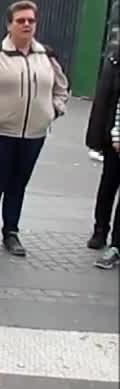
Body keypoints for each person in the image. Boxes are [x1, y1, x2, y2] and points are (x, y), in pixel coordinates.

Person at [0, 0, 70, 256]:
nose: (26, 25)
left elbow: (61, 87)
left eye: (31, 21)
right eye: (20, 20)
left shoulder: (46, 56)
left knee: (18, 182)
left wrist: (54, 110)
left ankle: (11, 232)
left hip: (34, 133)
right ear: (9, 25)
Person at [84, 40, 120, 269]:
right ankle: (100, 230)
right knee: (108, 186)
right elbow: (105, 101)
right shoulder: (114, 60)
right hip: (114, 137)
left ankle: (116, 243)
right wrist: (103, 137)